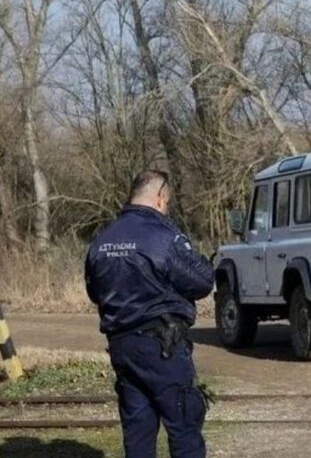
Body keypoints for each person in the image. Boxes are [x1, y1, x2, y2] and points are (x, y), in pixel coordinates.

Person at [85, 170, 214, 458]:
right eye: (167, 204)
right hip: (163, 346)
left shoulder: (101, 240)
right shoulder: (164, 238)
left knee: (138, 430)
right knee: (184, 424)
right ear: (159, 199)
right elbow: (202, 282)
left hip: (123, 348)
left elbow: (95, 292)